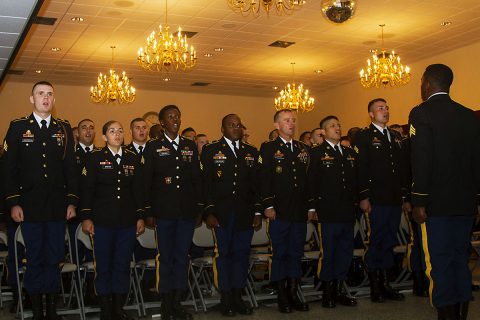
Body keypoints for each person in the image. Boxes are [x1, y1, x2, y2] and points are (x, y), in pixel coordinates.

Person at [2, 81, 78, 320]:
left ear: (53, 100)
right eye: (40, 94)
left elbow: (71, 169)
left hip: (57, 206)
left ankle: (52, 310)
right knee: (34, 258)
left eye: (49, 94)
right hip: (29, 207)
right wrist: (14, 202)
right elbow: (8, 169)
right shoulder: (18, 127)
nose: (45, 98)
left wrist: (71, 201)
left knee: (54, 257)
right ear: (32, 99)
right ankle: (37, 311)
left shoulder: (63, 129)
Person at [409, 64, 480, 320]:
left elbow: (421, 159)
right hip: (464, 204)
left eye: (421, 82)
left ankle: (446, 315)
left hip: (435, 205)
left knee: (438, 263)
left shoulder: (422, 113)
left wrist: (419, 200)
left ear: (427, 83)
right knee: (460, 260)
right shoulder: (468, 115)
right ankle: (460, 313)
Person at [80, 120, 145, 320]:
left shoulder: (132, 158)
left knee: (122, 265)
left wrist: (140, 216)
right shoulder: (95, 158)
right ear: (104, 137)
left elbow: (138, 190)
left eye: (119, 131)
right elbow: (87, 189)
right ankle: (105, 310)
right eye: (112, 131)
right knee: (104, 266)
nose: (117, 134)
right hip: (102, 222)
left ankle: (118, 308)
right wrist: (86, 216)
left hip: (126, 222)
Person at [143, 105, 202, 320]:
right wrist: (148, 210)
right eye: (170, 117)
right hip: (164, 212)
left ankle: (177, 302)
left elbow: (197, 179)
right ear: (161, 122)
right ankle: (166, 303)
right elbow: (146, 181)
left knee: (181, 258)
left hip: (186, 212)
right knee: (166, 258)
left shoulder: (189, 145)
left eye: (177, 116)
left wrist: (199, 209)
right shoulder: (153, 147)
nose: (175, 120)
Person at [201, 114, 261, 316]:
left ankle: (238, 297)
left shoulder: (251, 152)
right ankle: (225, 298)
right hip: (222, 214)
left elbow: (256, 186)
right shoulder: (211, 150)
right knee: (224, 256)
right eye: (231, 125)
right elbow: (206, 184)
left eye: (238, 125)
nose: (236, 128)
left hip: (245, 214)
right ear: (222, 129)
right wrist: (208, 211)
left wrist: (258, 211)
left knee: (242, 256)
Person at [353, 98, 411, 303]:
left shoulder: (395, 137)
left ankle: (386, 284)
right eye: (380, 108)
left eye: (387, 108)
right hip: (376, 198)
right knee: (376, 241)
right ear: (371, 114)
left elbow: (402, 169)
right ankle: (375, 286)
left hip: (394, 198)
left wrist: (404, 196)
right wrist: (364, 196)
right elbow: (361, 168)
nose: (385, 111)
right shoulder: (364, 136)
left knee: (389, 240)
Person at [258, 109, 310, 313]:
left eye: (293, 120)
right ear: (277, 125)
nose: (291, 124)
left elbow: (307, 180)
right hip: (279, 211)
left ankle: (293, 292)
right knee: (281, 253)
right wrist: (268, 205)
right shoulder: (269, 148)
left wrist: (310, 206)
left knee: (296, 253)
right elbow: (264, 179)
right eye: (287, 121)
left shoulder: (301, 148)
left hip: (298, 210)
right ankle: (282, 295)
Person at [308, 116, 358, 308]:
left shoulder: (349, 153)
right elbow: (311, 182)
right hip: (327, 211)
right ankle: (327, 292)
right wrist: (313, 207)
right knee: (329, 252)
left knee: (345, 252)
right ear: (323, 131)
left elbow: (354, 181)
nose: (337, 128)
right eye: (332, 126)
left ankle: (339, 290)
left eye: (338, 125)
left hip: (346, 211)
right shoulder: (317, 153)